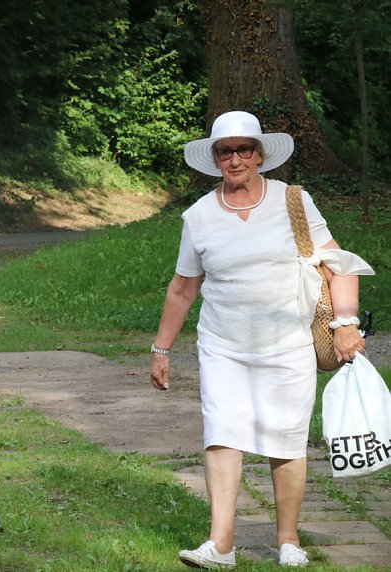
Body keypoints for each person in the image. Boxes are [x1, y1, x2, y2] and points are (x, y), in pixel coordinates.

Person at [150, 111, 373, 569]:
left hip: (288, 341)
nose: (235, 159)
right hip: (223, 344)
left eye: (243, 149)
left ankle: (288, 540)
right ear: (214, 159)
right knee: (221, 434)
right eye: (225, 151)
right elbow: (183, 286)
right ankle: (221, 544)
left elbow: (337, 263)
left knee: (286, 440)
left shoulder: (294, 201)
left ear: (259, 154)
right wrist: (161, 348)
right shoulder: (198, 217)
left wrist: (345, 322)